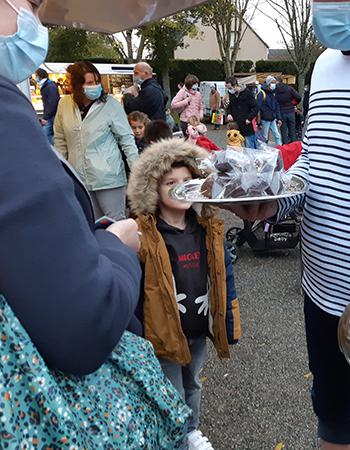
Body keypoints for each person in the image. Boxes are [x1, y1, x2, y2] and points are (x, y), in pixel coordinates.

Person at [0, 0, 191, 447]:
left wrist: (137, 179)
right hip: (75, 185)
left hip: (107, 183)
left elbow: (127, 140)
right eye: (29, 3)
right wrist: (112, 246)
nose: (37, 16)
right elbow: (82, 315)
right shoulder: (59, 107)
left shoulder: (109, 106)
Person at [228, 1, 350, 447]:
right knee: (334, 416)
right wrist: (272, 204)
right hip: (322, 290)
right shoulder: (324, 64)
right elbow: (316, 166)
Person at [127, 139, 241, 450]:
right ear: (154, 189)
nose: (181, 188)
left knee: (192, 383)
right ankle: (174, 438)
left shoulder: (208, 228)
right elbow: (136, 288)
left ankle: (190, 431)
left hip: (196, 330)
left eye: (188, 181)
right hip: (163, 334)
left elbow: (223, 277)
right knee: (170, 390)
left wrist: (228, 322)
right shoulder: (145, 236)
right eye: (170, 183)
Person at [54, 61, 138, 221]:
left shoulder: (111, 104)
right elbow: (60, 140)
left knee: (115, 225)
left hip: (108, 177)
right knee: (90, 224)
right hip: (78, 178)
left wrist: (136, 168)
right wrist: (61, 172)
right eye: (90, 83)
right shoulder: (64, 104)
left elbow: (126, 139)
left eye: (97, 81)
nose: (96, 86)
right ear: (78, 86)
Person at [225, 77, 259, 149]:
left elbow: (255, 108)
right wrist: (229, 114)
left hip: (247, 125)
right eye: (228, 89)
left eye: (230, 88)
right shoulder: (232, 95)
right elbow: (230, 107)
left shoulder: (247, 94)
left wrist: (249, 119)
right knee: (236, 147)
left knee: (250, 146)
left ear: (235, 85)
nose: (230, 90)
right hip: (236, 126)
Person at [34, 68, 60, 145]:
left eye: (36, 76)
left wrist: (45, 117)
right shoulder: (48, 86)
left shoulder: (49, 86)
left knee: (45, 135)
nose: (35, 78)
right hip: (51, 116)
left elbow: (52, 103)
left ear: (39, 76)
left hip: (51, 116)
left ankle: (53, 152)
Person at [256, 75, 282, 145]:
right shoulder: (262, 93)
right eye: (272, 82)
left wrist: (279, 118)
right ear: (268, 83)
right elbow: (258, 107)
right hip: (265, 119)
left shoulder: (273, 93)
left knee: (277, 135)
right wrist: (258, 122)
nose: (274, 84)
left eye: (274, 82)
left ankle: (280, 149)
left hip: (272, 118)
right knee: (264, 137)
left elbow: (276, 106)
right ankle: (263, 150)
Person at [275, 77, 301, 144]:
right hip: (291, 112)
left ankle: (285, 148)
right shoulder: (289, 88)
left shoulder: (275, 91)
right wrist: (294, 103)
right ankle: (294, 147)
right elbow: (298, 97)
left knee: (284, 133)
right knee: (292, 132)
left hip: (281, 113)